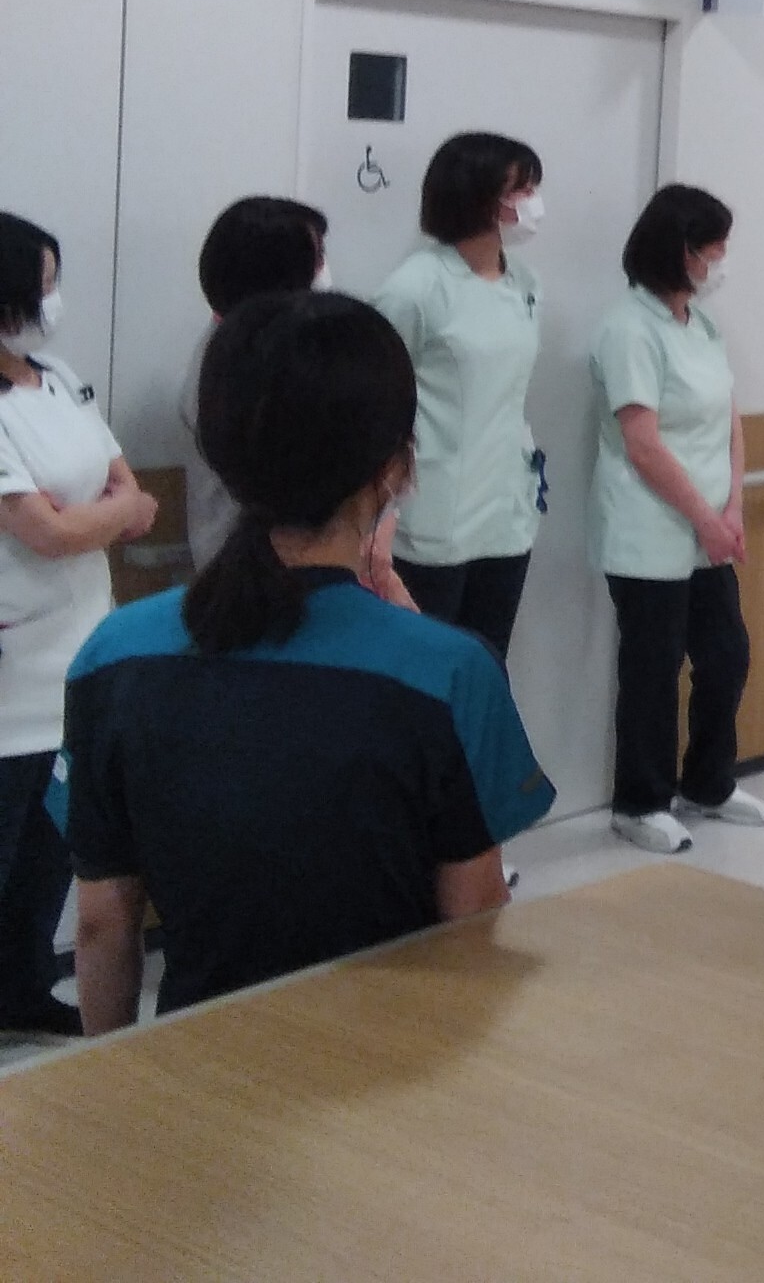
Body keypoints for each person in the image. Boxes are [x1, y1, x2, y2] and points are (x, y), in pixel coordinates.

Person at [55, 291, 551, 1031]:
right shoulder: (449, 673)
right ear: (396, 468)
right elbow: (471, 927)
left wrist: (119, 1074)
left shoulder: (112, 655)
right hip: (394, 1067)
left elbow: (102, 924)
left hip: (198, 1061)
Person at [0, 216, 155, 1037]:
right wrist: (103, 515)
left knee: (51, 843)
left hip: (80, 643)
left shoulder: (58, 376)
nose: (53, 302)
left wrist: (101, 513)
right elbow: (46, 532)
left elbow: (133, 495)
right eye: (42, 285)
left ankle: (21, 988)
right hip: (11, 656)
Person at [588, 185, 764, 856]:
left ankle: (708, 784)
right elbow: (642, 443)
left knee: (726, 655)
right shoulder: (629, 328)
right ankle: (640, 802)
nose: (721, 260)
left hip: (709, 527)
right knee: (653, 667)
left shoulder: (700, 324)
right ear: (678, 251)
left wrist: (733, 506)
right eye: (711, 248)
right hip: (650, 528)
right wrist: (704, 517)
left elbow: (729, 419)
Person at [373, 132, 546, 661]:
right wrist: (378, 519)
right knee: (425, 676)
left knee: (486, 669)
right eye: (521, 190)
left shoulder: (523, 283)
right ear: (478, 197)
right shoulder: (414, 288)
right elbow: (377, 406)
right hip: (430, 520)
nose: (533, 203)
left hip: (506, 514)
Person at [181, 196, 330, 570]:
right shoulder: (232, 364)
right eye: (317, 258)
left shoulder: (261, 346)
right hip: (248, 563)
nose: (323, 271)